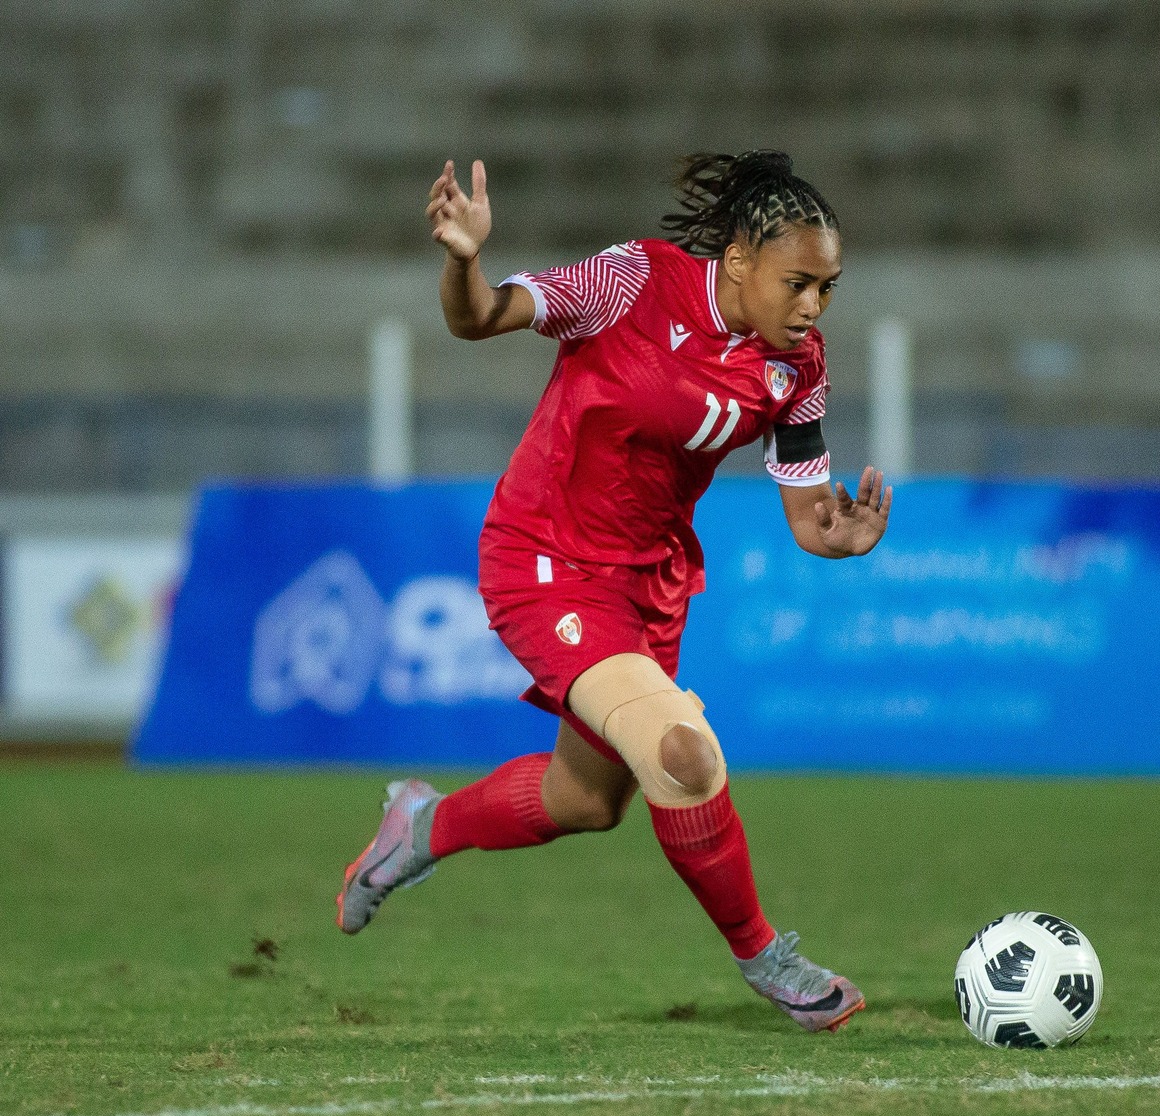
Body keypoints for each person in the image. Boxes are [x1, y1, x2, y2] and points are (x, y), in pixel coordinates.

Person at [333, 151, 888, 1032]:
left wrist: (839, 536)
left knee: (585, 801)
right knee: (683, 752)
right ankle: (767, 957)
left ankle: (422, 826)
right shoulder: (630, 282)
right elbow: (479, 318)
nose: (814, 306)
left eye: (829, 287)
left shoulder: (800, 363)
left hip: (650, 584)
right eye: (799, 282)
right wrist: (464, 259)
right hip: (545, 557)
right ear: (739, 257)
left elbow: (807, 511)